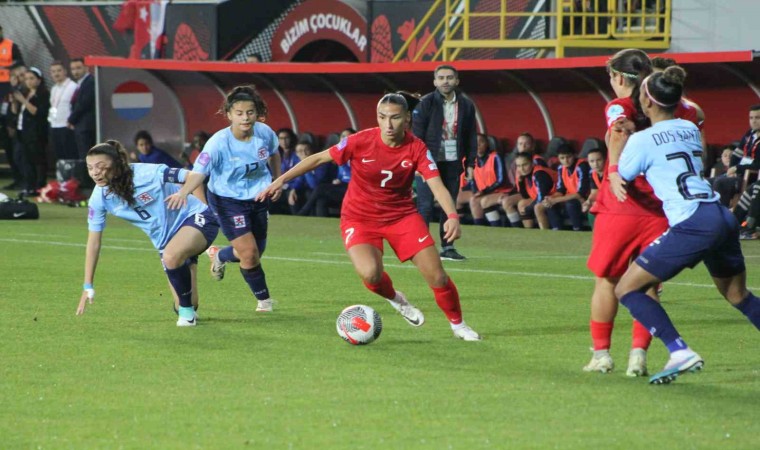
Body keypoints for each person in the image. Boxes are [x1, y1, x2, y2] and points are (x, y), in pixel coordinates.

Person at [258, 93, 481, 341]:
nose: (388, 124)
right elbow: (319, 158)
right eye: (382, 117)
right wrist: (280, 180)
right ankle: (397, 299)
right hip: (359, 217)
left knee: (437, 276)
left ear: (407, 118)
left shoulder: (416, 148)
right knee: (371, 274)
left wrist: (452, 215)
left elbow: (436, 184)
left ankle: (458, 325)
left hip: (401, 216)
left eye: (395, 117)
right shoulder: (360, 140)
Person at [613, 65, 760, 384]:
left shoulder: (641, 141)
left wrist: (619, 142)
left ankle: (679, 351)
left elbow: (623, 176)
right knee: (738, 295)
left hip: (692, 221)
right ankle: (678, 351)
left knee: (626, 288)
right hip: (720, 215)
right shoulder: (689, 128)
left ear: (647, 102)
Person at [76, 140, 220, 327]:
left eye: (101, 166)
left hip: (195, 217)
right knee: (186, 302)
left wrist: (186, 195)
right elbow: (94, 242)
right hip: (165, 240)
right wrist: (87, 285)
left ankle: (187, 316)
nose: (95, 172)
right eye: (90, 168)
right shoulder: (99, 198)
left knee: (171, 257)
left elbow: (193, 175)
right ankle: (186, 298)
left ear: (117, 164)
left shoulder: (148, 173)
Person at [167, 85, 282, 313]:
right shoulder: (218, 143)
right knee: (249, 254)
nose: (245, 118)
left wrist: (277, 180)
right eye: (239, 113)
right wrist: (184, 192)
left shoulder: (265, 133)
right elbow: (198, 173)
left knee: (255, 252)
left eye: (250, 112)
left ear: (257, 113)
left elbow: (274, 154)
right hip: (227, 201)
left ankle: (220, 255)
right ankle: (264, 301)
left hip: (258, 198)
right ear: (229, 115)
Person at [584, 49, 661, 377]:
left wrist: (614, 169)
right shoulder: (664, 106)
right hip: (658, 208)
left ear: (618, 77)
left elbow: (618, 129)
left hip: (621, 204)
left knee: (607, 280)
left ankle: (601, 355)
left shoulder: (619, 105)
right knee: (648, 285)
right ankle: (638, 356)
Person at [413, 65, 477, 261]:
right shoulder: (425, 103)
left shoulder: (466, 105)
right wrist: (417, 163)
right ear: (435, 82)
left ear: (457, 80)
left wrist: (470, 163)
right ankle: (421, 247)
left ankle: (448, 247)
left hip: (452, 161)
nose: (445, 81)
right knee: (425, 205)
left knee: (448, 205)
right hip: (428, 162)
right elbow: (417, 136)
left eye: (449, 77)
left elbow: (470, 136)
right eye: (441, 78)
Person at [11, 67, 49, 196]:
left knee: (37, 160)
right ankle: (29, 185)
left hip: (36, 133)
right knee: (23, 159)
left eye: (32, 78)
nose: (28, 81)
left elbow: (36, 112)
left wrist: (23, 100)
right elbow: (16, 112)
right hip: (22, 131)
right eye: (27, 79)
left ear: (39, 80)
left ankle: (39, 186)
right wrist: (14, 102)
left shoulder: (43, 94)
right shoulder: (26, 93)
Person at [713, 105, 760, 205]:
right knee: (708, 182)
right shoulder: (749, 134)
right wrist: (732, 169)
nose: (753, 121)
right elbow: (736, 155)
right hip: (738, 174)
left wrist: (737, 168)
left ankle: (722, 212)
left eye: (757, 118)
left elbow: (758, 165)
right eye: (751, 118)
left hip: (751, 176)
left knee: (720, 183)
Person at [541, 144, 591, 231]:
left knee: (570, 204)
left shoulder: (582, 166)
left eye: (568, 157)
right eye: (562, 158)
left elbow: (580, 194)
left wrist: (556, 200)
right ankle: (557, 230)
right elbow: (561, 190)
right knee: (550, 204)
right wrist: (551, 198)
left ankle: (578, 229)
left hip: (585, 199)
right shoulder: (561, 168)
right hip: (570, 198)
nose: (566, 160)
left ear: (575, 155)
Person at [469, 133, 509, 226]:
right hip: (485, 192)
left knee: (485, 201)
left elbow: (501, 180)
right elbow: (473, 180)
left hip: (501, 191)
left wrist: (484, 191)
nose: (478, 145)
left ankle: (496, 227)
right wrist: (476, 192)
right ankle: (480, 229)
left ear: (487, 143)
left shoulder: (495, 156)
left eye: (481, 142)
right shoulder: (473, 160)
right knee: (473, 200)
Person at [510, 151, 557, 229]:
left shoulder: (539, 174)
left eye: (525, 165)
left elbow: (541, 197)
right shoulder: (524, 175)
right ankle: (528, 231)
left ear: (532, 164)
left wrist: (528, 208)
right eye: (518, 166)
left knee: (537, 207)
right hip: (546, 198)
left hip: (557, 196)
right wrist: (521, 183)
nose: (522, 169)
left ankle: (544, 233)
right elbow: (525, 196)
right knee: (522, 203)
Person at [48, 61, 78, 161]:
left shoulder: (73, 86)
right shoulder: (53, 88)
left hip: (67, 126)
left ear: (65, 71)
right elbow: (53, 106)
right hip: (54, 126)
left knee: (70, 155)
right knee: (59, 156)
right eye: (53, 71)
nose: (56, 74)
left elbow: (76, 107)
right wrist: (51, 122)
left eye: (59, 70)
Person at [68, 58, 96, 159]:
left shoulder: (90, 82)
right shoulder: (81, 83)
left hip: (86, 126)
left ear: (86, 68)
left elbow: (83, 104)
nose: (75, 71)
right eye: (73, 69)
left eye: (78, 68)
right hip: (80, 125)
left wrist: (71, 119)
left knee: (86, 156)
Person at [581, 148, 606, 228]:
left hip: (616, 201)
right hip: (604, 202)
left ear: (605, 160)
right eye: (592, 161)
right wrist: (588, 201)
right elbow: (594, 192)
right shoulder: (593, 174)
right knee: (591, 210)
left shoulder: (611, 172)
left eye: (599, 160)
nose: (595, 164)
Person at [0, 24, 24, 100]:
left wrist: (8, 67)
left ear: (1, 31)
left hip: (10, 81)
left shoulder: (11, 45)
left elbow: (20, 62)